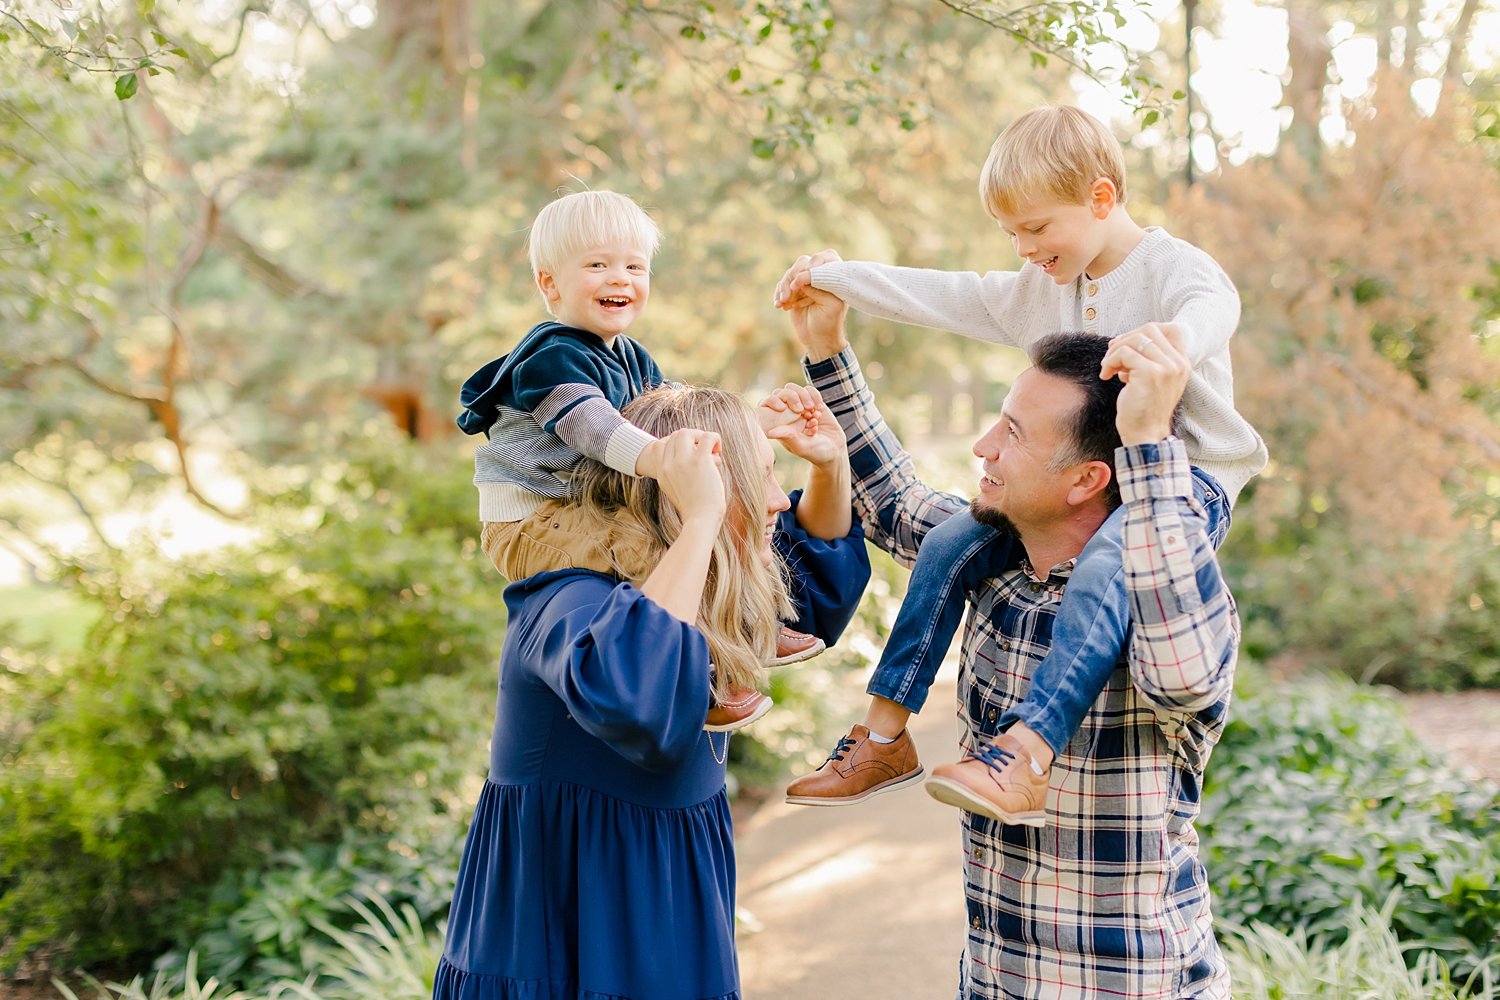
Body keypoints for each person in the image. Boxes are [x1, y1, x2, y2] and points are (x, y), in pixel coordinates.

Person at [772, 105, 1265, 822]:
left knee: (1105, 566)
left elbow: (1215, 305)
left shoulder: (1172, 270)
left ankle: (1027, 755)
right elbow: (949, 294)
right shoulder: (1043, 291)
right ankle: (883, 736)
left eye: (1036, 228)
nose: (1024, 247)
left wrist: (1174, 343)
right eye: (1011, 233)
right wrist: (840, 279)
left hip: (1181, 485)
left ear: (1101, 198)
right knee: (948, 540)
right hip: (1095, 488)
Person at [432, 380, 870, 1000]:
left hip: (672, 917)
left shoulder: (699, 582)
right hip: (562, 936)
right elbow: (642, 700)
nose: (778, 501)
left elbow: (814, 598)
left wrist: (828, 464)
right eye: (757, 480)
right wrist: (700, 521)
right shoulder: (566, 602)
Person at [456, 190, 825, 732]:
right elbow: (595, 429)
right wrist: (659, 457)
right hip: (531, 519)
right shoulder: (550, 357)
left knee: (705, 521)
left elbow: (678, 424)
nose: (619, 279)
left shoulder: (632, 356)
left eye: (634, 266)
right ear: (549, 284)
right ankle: (705, 681)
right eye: (597, 265)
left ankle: (751, 627)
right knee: (652, 545)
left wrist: (751, 429)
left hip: (581, 505)